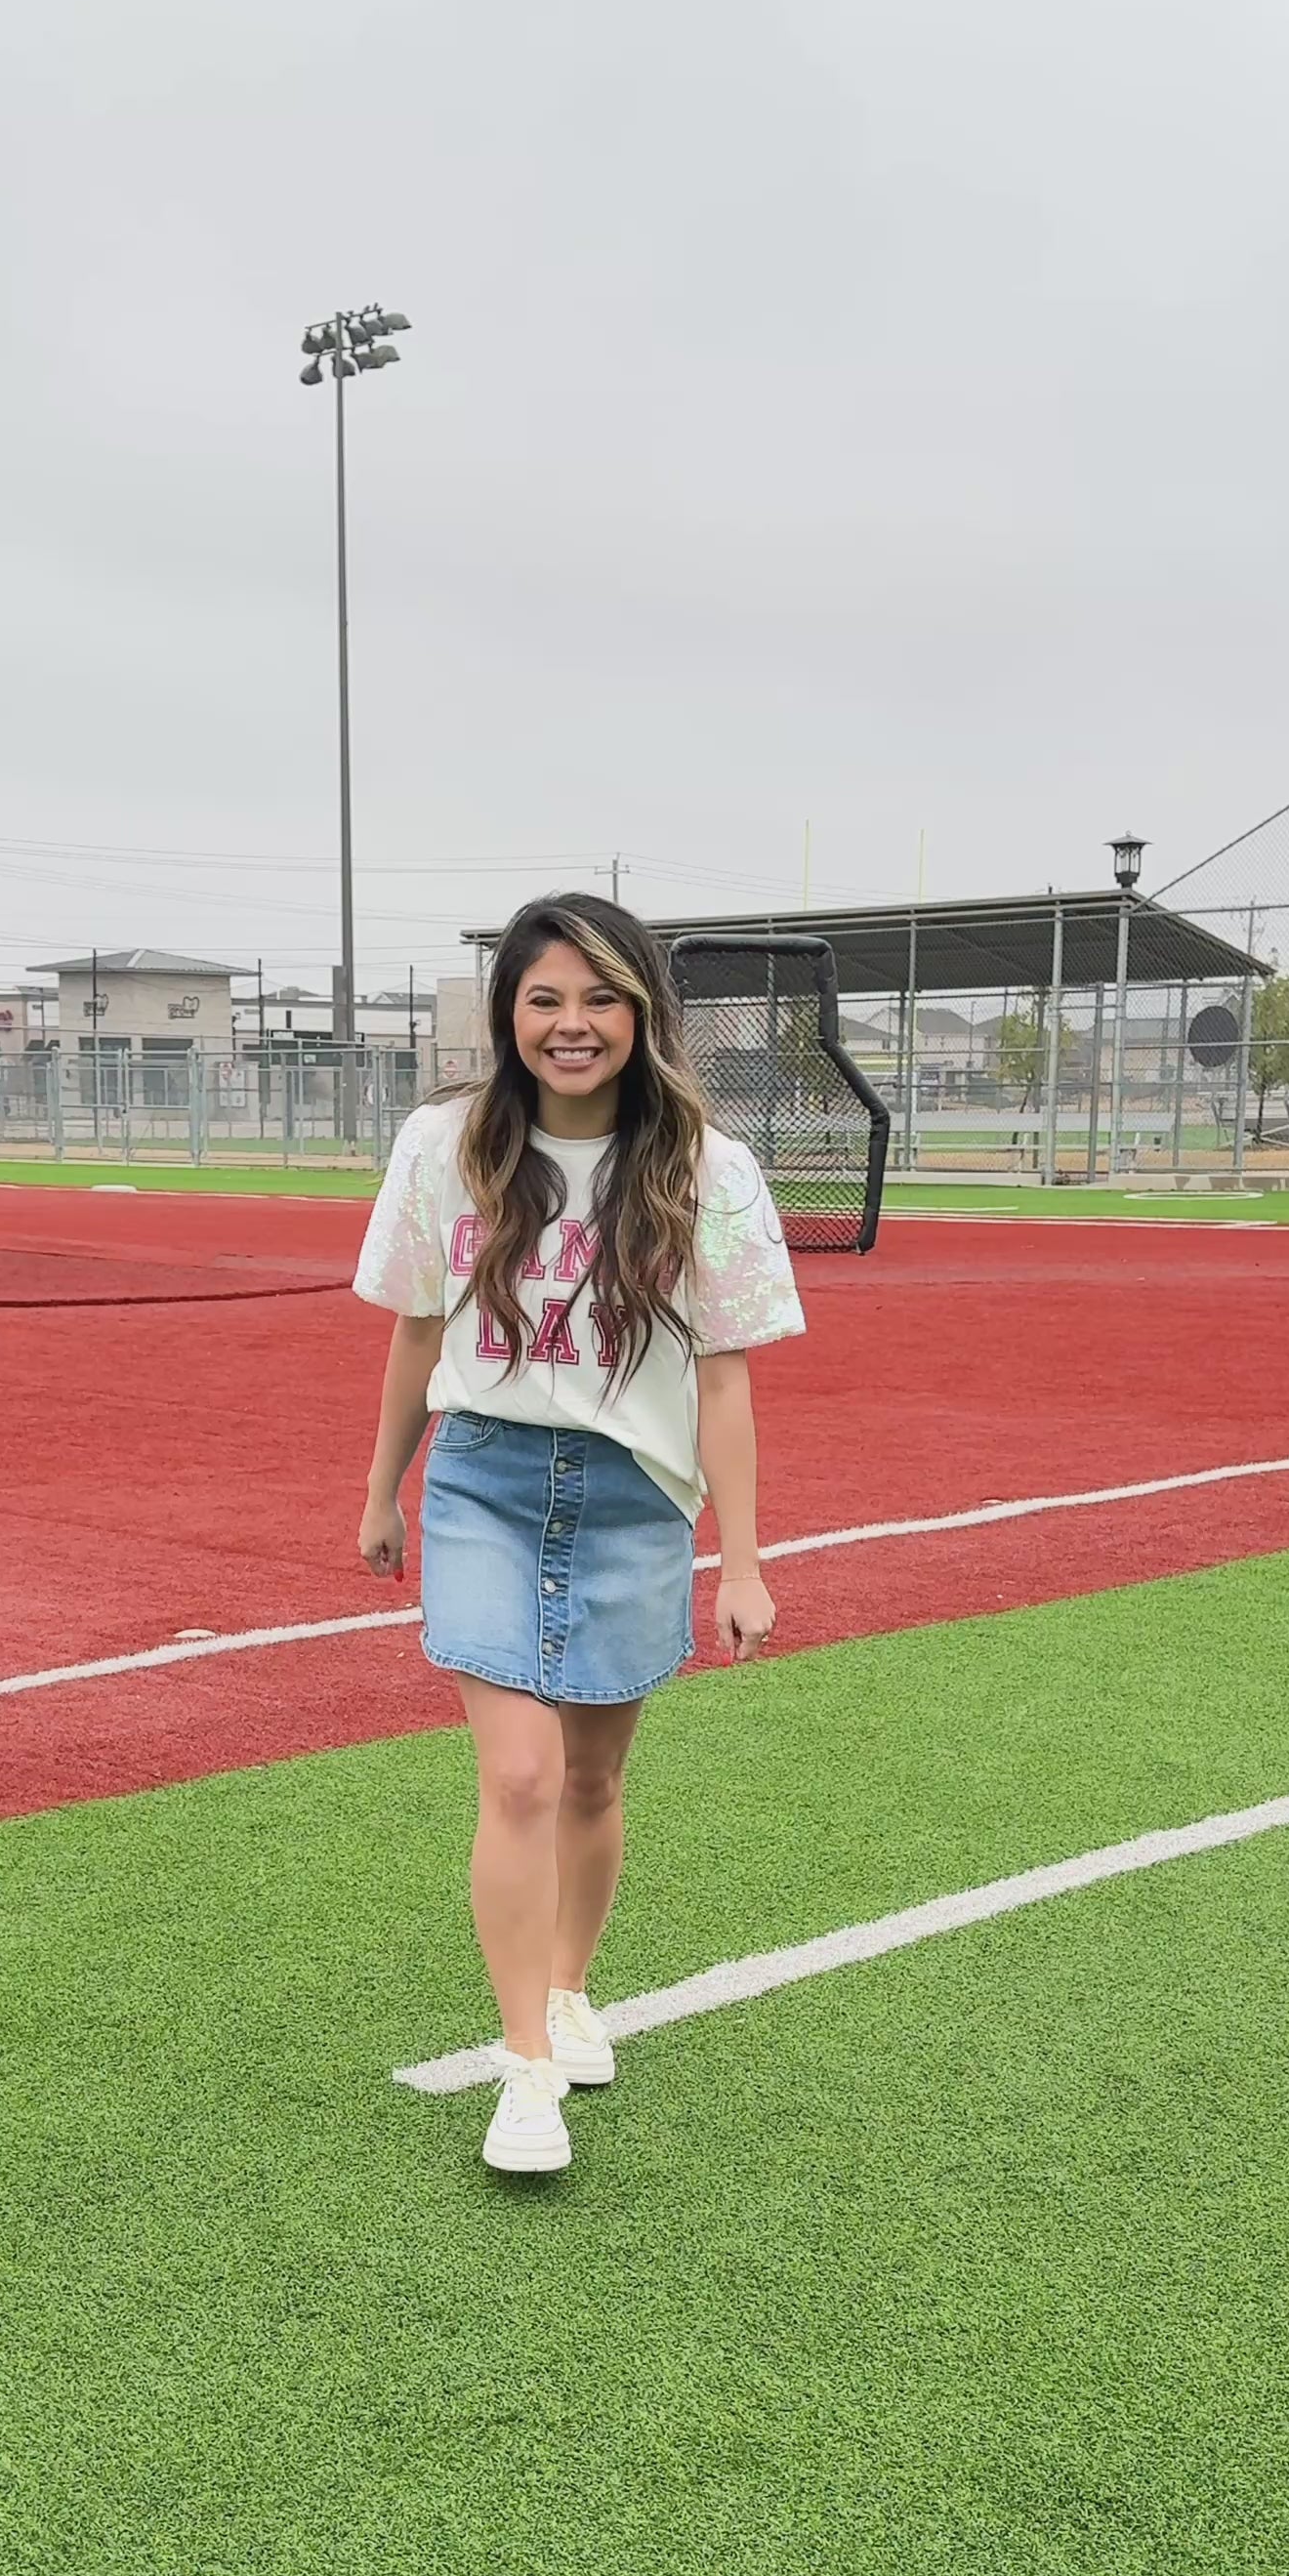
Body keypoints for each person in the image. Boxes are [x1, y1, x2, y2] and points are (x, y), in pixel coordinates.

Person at [353, 893, 804, 2174]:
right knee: (522, 1777)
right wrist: (384, 1488)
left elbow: (724, 1380)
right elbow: (416, 1330)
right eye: (544, 998)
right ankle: (527, 2070)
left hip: (633, 1496)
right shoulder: (449, 1146)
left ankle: (566, 1987)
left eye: (600, 998)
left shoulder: (708, 1170)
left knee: (596, 1777)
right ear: (509, 1014)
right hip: (484, 1480)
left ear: (642, 1014)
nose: (571, 1024)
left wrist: (746, 1559)